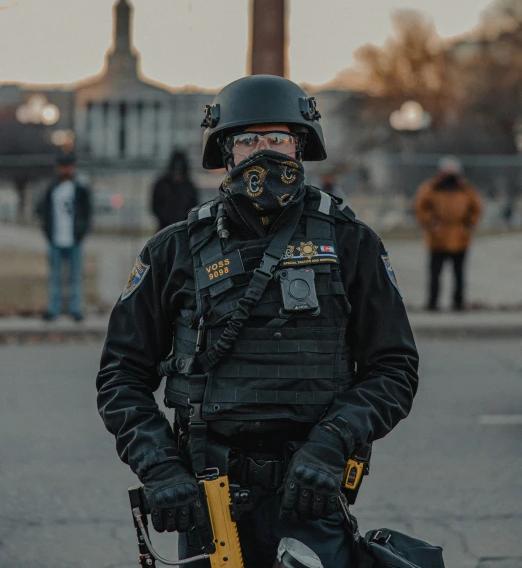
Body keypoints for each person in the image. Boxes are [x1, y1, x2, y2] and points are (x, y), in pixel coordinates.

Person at [97, 76, 419, 568]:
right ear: (226, 152)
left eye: (276, 139)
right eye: (248, 140)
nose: (262, 152)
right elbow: (120, 375)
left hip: (311, 491)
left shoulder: (353, 244)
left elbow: (394, 368)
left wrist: (333, 444)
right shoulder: (175, 250)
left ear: (300, 147)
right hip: (206, 499)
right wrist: (160, 467)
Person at [414, 157, 482, 312]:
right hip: (438, 238)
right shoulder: (431, 188)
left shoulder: (466, 189)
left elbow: (476, 208)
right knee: (435, 273)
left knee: (459, 274)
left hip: (460, 237)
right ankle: (432, 302)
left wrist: (469, 224)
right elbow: (420, 206)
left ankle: (458, 302)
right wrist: (430, 222)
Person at [36, 151, 92, 321]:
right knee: (55, 276)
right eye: (63, 166)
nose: (66, 170)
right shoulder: (52, 188)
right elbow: (42, 210)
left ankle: (75, 309)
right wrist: (47, 231)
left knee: (75, 276)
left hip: (74, 238)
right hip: (56, 238)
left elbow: (87, 212)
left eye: (69, 166)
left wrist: (81, 231)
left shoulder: (80, 189)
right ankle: (53, 309)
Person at [151, 149, 200, 231]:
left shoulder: (188, 186)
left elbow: (193, 207)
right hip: (164, 228)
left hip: (183, 229)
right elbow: (155, 206)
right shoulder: (162, 185)